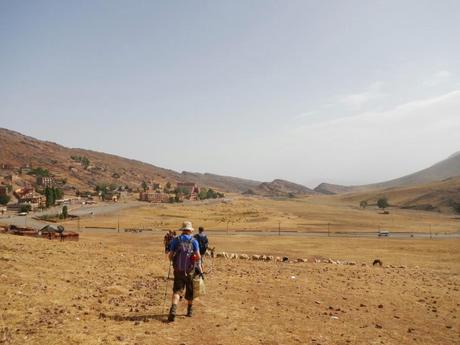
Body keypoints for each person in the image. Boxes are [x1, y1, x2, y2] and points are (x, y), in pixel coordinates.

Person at [167, 221, 203, 322]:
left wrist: (173, 261)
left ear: (182, 230)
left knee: (177, 291)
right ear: (190, 230)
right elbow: (198, 256)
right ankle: (189, 310)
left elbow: (170, 255)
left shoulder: (176, 240)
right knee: (190, 291)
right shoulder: (194, 241)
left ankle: (173, 310)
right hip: (190, 270)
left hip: (178, 270)